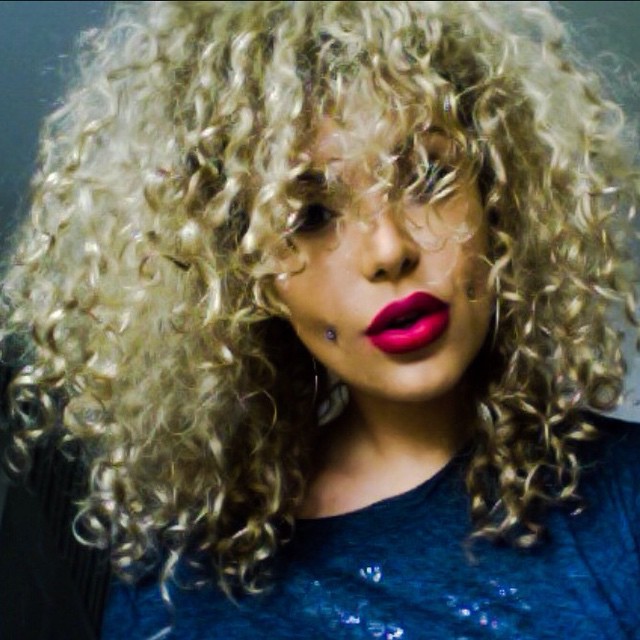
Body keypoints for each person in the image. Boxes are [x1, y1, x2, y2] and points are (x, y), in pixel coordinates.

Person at [1, 1, 639, 638]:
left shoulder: (623, 501)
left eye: (427, 176)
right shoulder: (163, 580)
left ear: (495, 191)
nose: (388, 250)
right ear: (243, 271)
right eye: (309, 215)